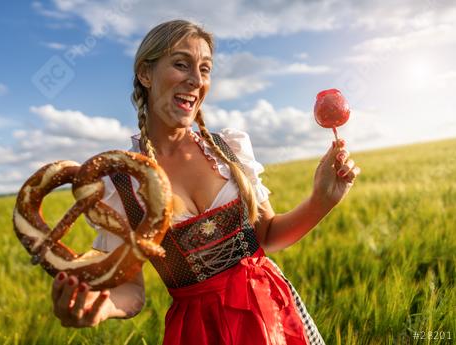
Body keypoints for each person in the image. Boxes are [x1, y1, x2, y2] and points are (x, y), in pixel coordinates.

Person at [50, 19, 360, 345]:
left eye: (206, 69)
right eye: (181, 64)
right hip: (201, 332)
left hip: (274, 316)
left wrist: (323, 199)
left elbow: (267, 236)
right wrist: (101, 307)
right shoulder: (122, 185)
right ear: (145, 74)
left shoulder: (228, 149)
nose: (196, 80)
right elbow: (131, 291)